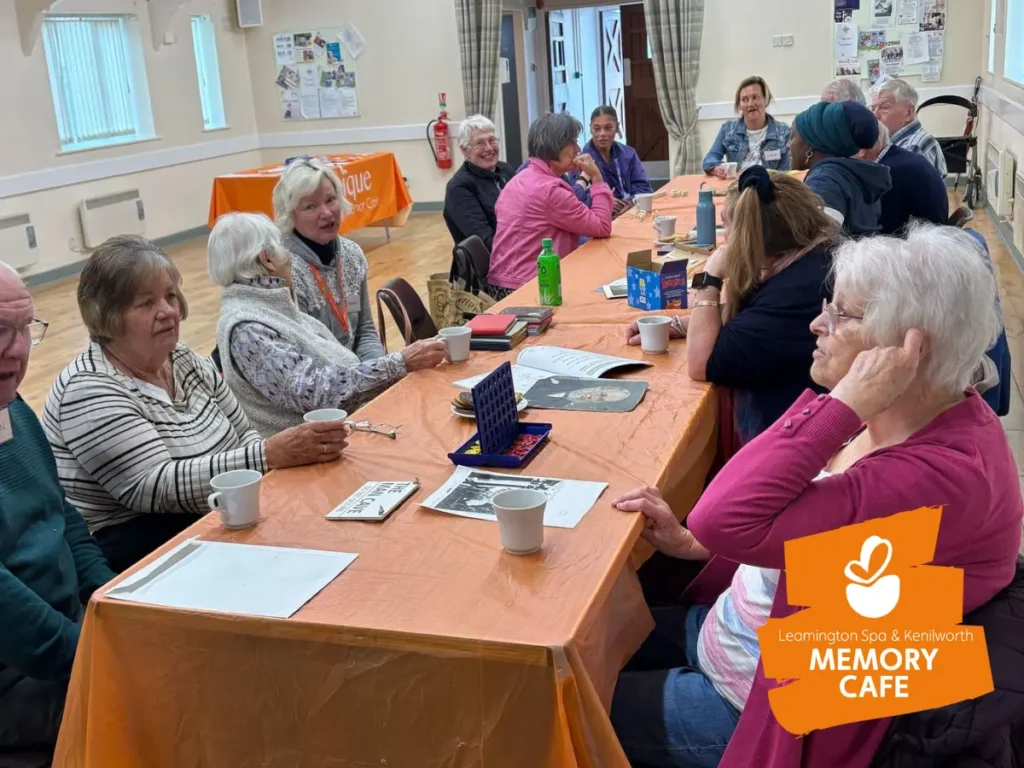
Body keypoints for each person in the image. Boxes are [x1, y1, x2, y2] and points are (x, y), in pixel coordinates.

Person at [609, 224, 1022, 768]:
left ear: (908, 348)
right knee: (591, 644)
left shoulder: (932, 478)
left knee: (559, 711)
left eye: (842, 314)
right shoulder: (911, 412)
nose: (817, 323)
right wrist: (692, 546)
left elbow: (722, 517)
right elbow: (780, 533)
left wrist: (844, 402)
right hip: (737, 635)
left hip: (760, 705)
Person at [42, 236, 352, 573]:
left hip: (214, 516)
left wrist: (258, 477)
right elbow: (152, 486)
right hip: (142, 548)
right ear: (107, 316)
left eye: (171, 296)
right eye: (146, 303)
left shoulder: (182, 358)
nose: (168, 311)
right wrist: (268, 456)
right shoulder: (89, 389)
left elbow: (244, 432)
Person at [626, 167, 836, 448]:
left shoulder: (791, 296)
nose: (725, 239)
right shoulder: (810, 262)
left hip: (789, 441)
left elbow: (701, 364)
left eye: (726, 227)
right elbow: (745, 320)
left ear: (749, 235)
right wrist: (678, 325)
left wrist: (709, 278)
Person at [0, 262, 115, 764]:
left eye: (25, 328)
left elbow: (61, 514)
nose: (17, 349)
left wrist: (112, 599)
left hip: (67, 635)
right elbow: (14, 623)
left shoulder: (13, 407)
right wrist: (96, 654)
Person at [209, 213, 446, 435]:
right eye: (281, 246)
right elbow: (316, 394)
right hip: (314, 453)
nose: (288, 255)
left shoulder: (272, 306)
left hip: (347, 429)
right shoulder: (248, 329)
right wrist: (399, 363)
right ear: (267, 259)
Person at [273, 158, 393, 358]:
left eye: (330, 200)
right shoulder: (285, 270)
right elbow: (306, 356)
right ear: (290, 215)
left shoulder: (352, 255)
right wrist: (365, 373)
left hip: (357, 370)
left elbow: (365, 332)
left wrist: (377, 368)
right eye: (311, 206)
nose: (327, 213)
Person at [488, 112, 614, 299]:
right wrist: (596, 178)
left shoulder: (520, 178)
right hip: (525, 287)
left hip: (502, 282)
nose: (578, 148)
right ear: (556, 146)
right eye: (573, 143)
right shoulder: (549, 190)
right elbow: (602, 227)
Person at [790, 100, 892, 236]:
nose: (788, 145)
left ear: (811, 145)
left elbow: (817, 240)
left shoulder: (824, 181)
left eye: (792, 137)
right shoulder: (854, 175)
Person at [857, 120, 949, 235]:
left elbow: (882, 230)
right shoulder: (901, 159)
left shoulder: (888, 172)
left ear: (862, 149)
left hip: (921, 241)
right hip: (933, 234)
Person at [443, 115, 516, 252]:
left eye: (492, 140)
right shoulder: (459, 188)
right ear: (465, 150)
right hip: (490, 261)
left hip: (517, 249)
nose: (488, 148)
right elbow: (485, 241)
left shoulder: (506, 170)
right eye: (480, 143)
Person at [566, 106, 653, 217]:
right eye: (597, 129)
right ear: (590, 129)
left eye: (608, 128)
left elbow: (644, 188)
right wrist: (604, 201)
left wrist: (631, 202)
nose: (602, 134)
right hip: (599, 218)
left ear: (617, 128)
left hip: (631, 213)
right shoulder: (581, 161)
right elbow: (575, 199)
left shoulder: (628, 154)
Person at [703, 76, 791, 177]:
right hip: (737, 184)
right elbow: (709, 160)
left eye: (755, 97)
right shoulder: (728, 129)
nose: (750, 104)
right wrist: (717, 168)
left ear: (765, 100)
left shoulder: (783, 131)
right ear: (739, 105)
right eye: (745, 99)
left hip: (770, 184)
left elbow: (786, 171)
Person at [871, 76, 947, 176]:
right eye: (873, 108)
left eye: (884, 107)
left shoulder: (913, 146)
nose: (875, 115)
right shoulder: (890, 140)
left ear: (908, 112)